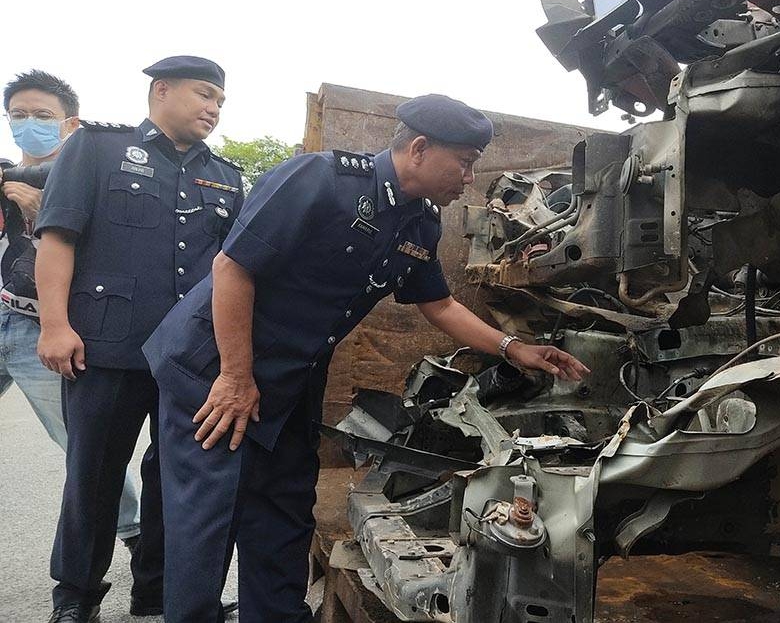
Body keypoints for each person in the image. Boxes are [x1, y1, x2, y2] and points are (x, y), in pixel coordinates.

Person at [143, 93, 591, 622]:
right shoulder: (319, 180)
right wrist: (236, 377)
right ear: (420, 148)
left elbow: (440, 304)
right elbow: (232, 269)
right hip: (216, 367)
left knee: (284, 507)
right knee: (209, 513)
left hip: (293, 376)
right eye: (466, 161)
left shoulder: (420, 221)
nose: (470, 178)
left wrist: (514, 348)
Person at [34, 56, 244, 623]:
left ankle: (158, 592)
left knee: (176, 483)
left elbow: (234, 275)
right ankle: (75, 595)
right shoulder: (98, 150)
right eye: (204, 95)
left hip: (189, 359)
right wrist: (55, 325)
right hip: (105, 348)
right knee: (93, 478)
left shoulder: (226, 176)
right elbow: (57, 238)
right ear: (161, 90)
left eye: (221, 101)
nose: (213, 108)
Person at [2, 70, 143, 548]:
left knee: (86, 451)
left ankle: (133, 533)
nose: (29, 124)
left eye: (43, 115)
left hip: (42, 326)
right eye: (18, 115)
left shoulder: (91, 173)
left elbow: (108, 253)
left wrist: (45, 210)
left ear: (70, 123)